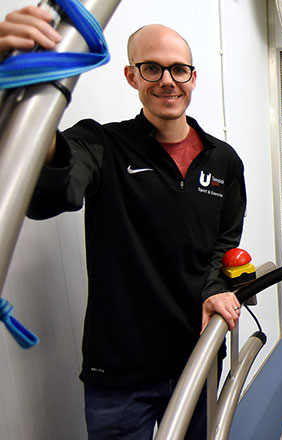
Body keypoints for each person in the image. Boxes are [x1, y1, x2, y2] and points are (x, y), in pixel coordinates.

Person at [1, 6, 246, 439]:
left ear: (193, 77)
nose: (167, 81)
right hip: (119, 374)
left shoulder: (223, 159)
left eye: (178, 70)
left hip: (197, 354)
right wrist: (23, 89)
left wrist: (215, 289)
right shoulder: (100, 143)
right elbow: (52, 193)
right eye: (152, 68)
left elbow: (224, 244)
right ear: (132, 76)